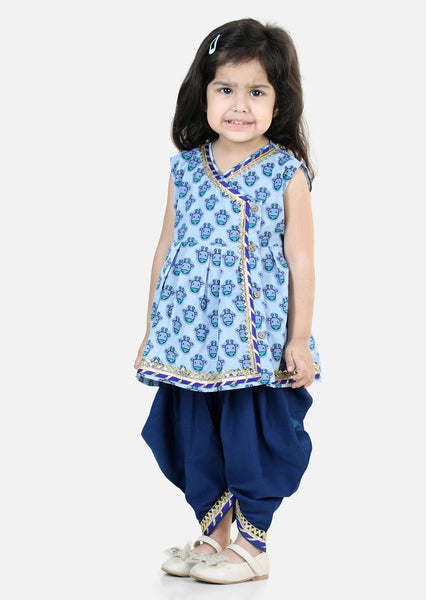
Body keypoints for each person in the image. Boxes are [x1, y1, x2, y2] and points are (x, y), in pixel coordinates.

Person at [134, 17, 322, 584]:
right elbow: (166, 248)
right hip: (190, 337)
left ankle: (253, 543)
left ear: (279, 101)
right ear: (204, 93)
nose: (239, 105)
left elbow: (301, 260)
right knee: (194, 431)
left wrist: (298, 339)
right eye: (226, 89)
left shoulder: (285, 173)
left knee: (250, 432)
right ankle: (214, 535)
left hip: (254, 339)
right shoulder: (185, 168)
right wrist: (152, 330)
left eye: (256, 92)